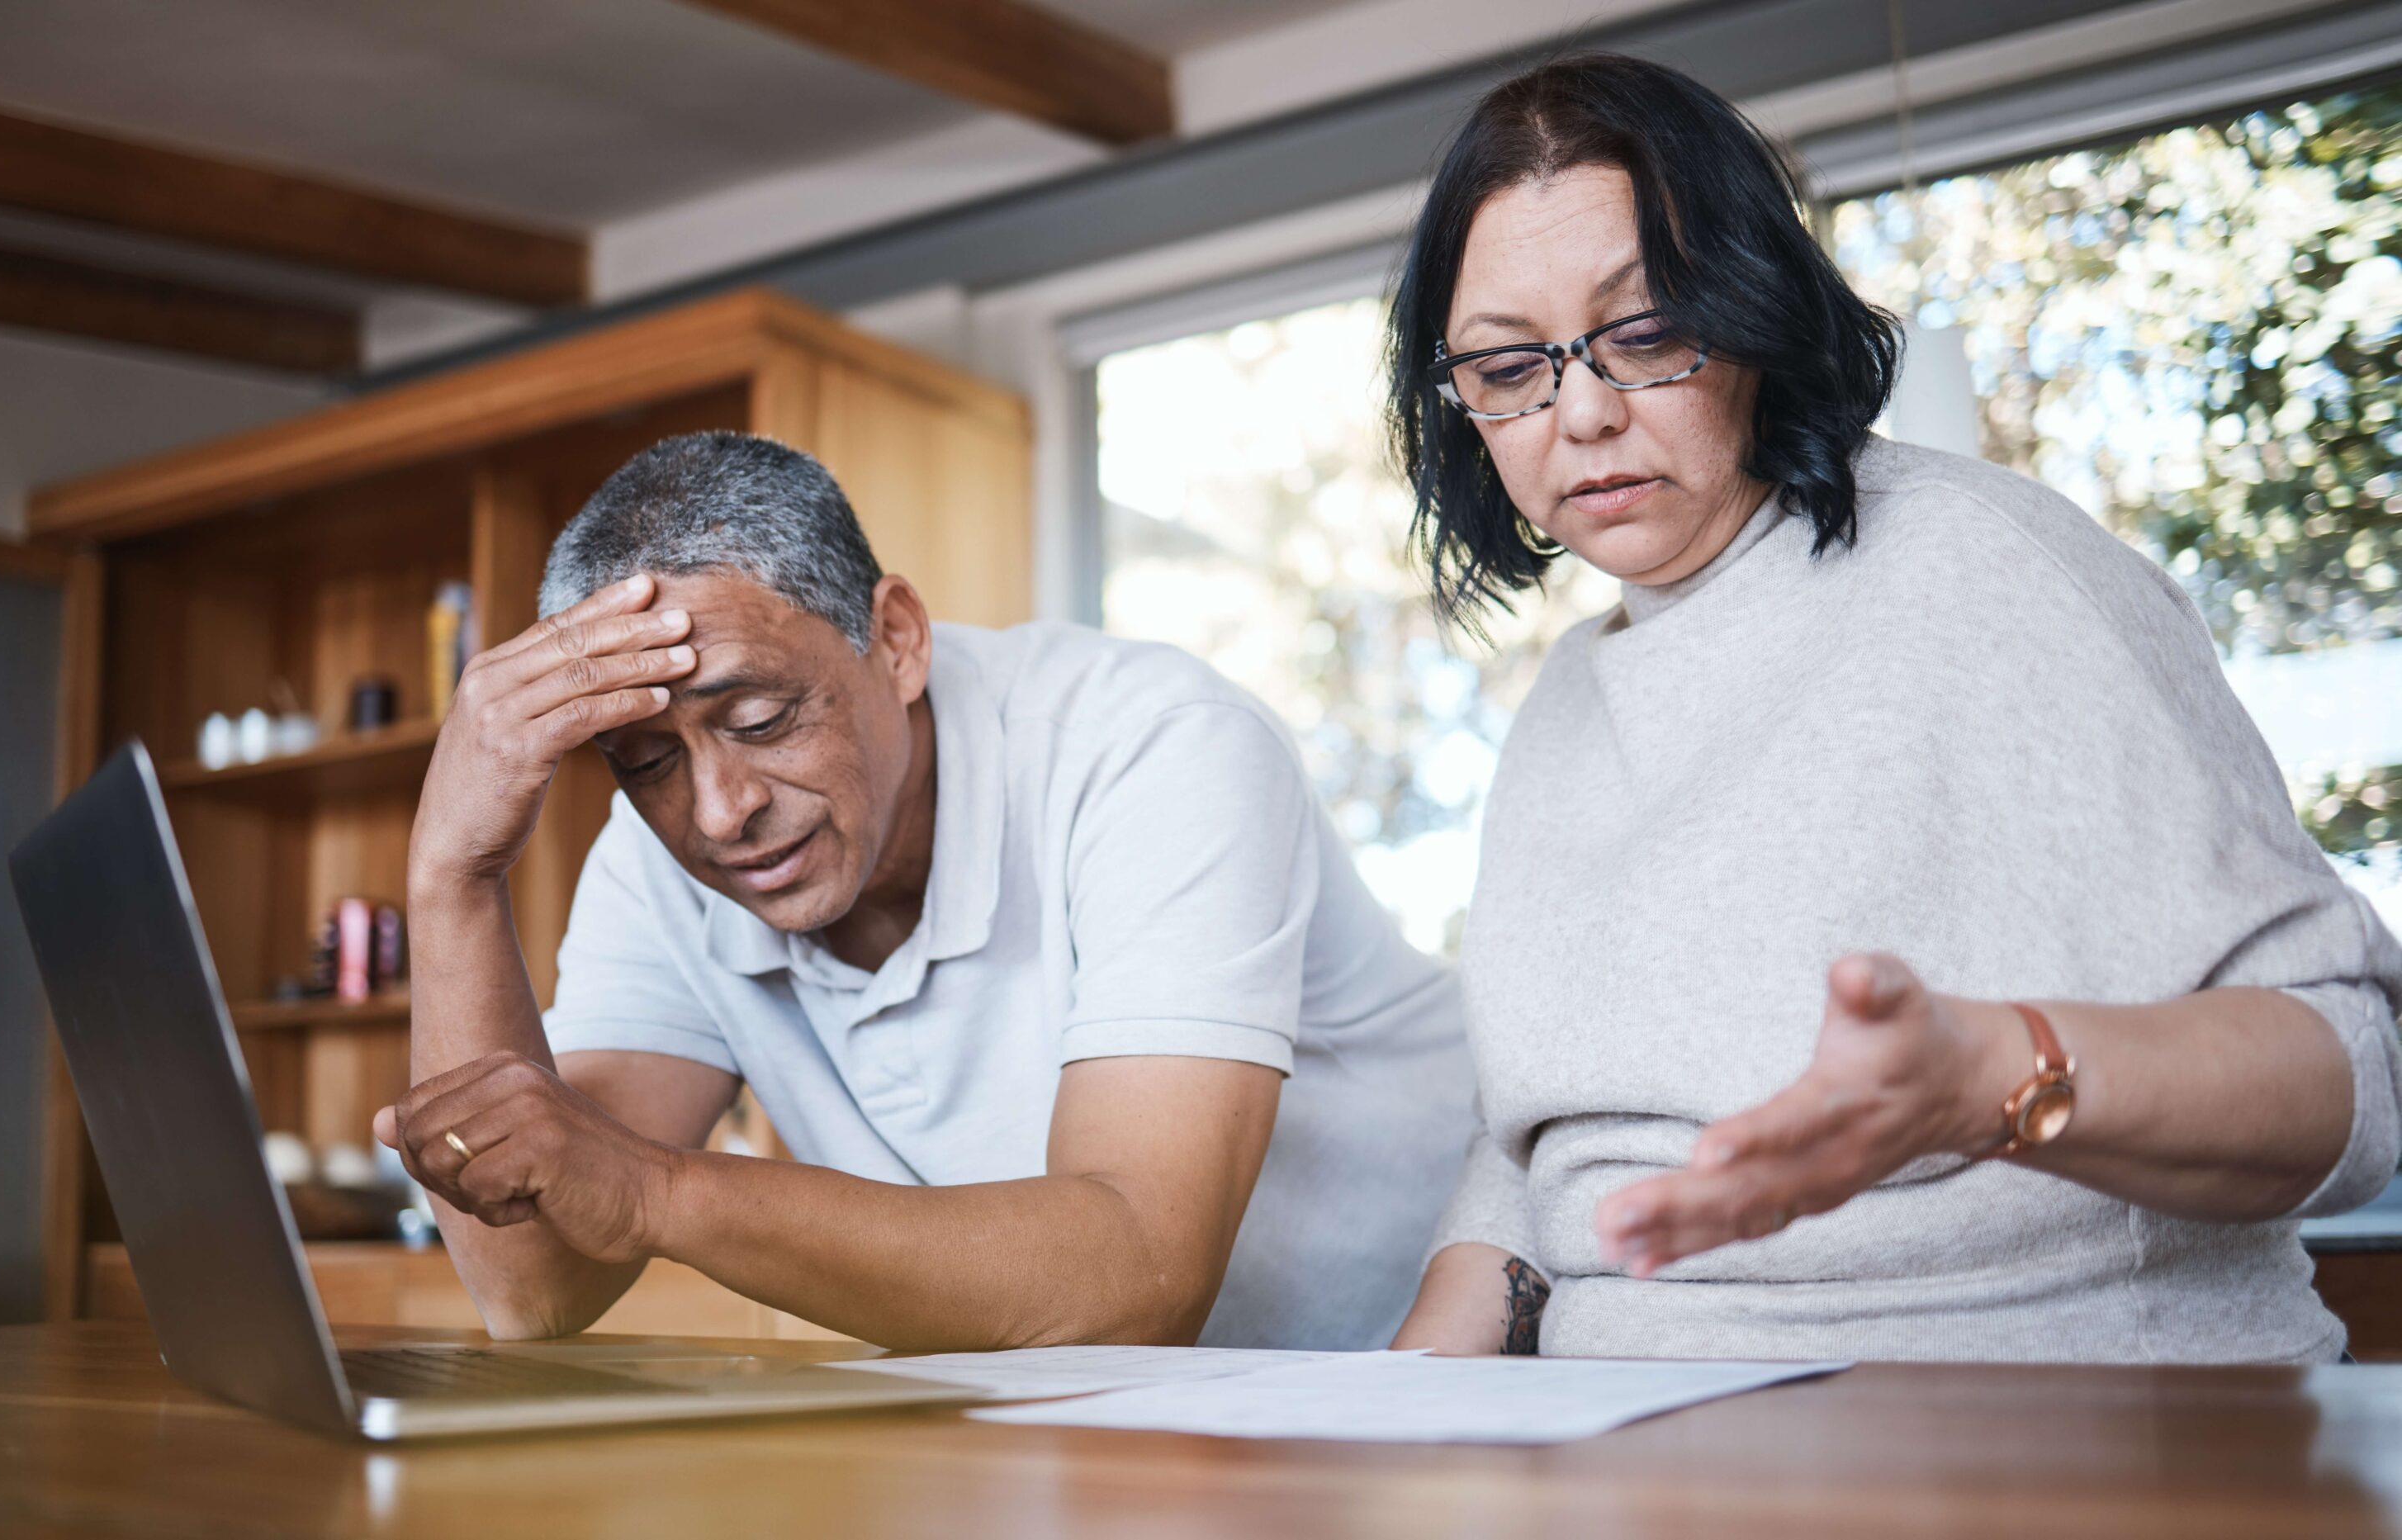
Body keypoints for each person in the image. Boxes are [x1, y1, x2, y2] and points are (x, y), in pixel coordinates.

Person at [1384, 53, 2402, 1363]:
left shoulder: (1989, 570)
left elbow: (2353, 1079)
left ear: (1755, 311)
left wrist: (1988, 1079)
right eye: (1509, 365)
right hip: (1629, 1448)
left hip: (2036, 1426)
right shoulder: (1562, 708)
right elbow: (1541, 1154)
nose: (1579, 411)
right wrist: (1396, 1414)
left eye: (1642, 333)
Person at [373, 430, 1471, 1352]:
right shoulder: (659, 856)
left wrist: (658, 1191)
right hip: (1100, 1425)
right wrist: (451, 876)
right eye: (646, 761)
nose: (718, 809)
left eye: (759, 719)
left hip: (1439, 1385)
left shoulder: (1154, 748)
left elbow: (1142, 1269)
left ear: (896, 640)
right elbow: (532, 1287)